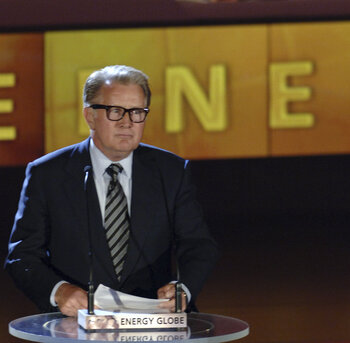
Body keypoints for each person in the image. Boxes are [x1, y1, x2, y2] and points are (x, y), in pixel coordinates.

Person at [5, 65, 218, 317]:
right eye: (115, 111)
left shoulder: (170, 170)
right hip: (76, 323)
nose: (127, 122)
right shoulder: (47, 174)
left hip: (152, 321)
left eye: (137, 112)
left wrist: (184, 289)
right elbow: (22, 256)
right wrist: (59, 291)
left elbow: (199, 245)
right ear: (89, 116)